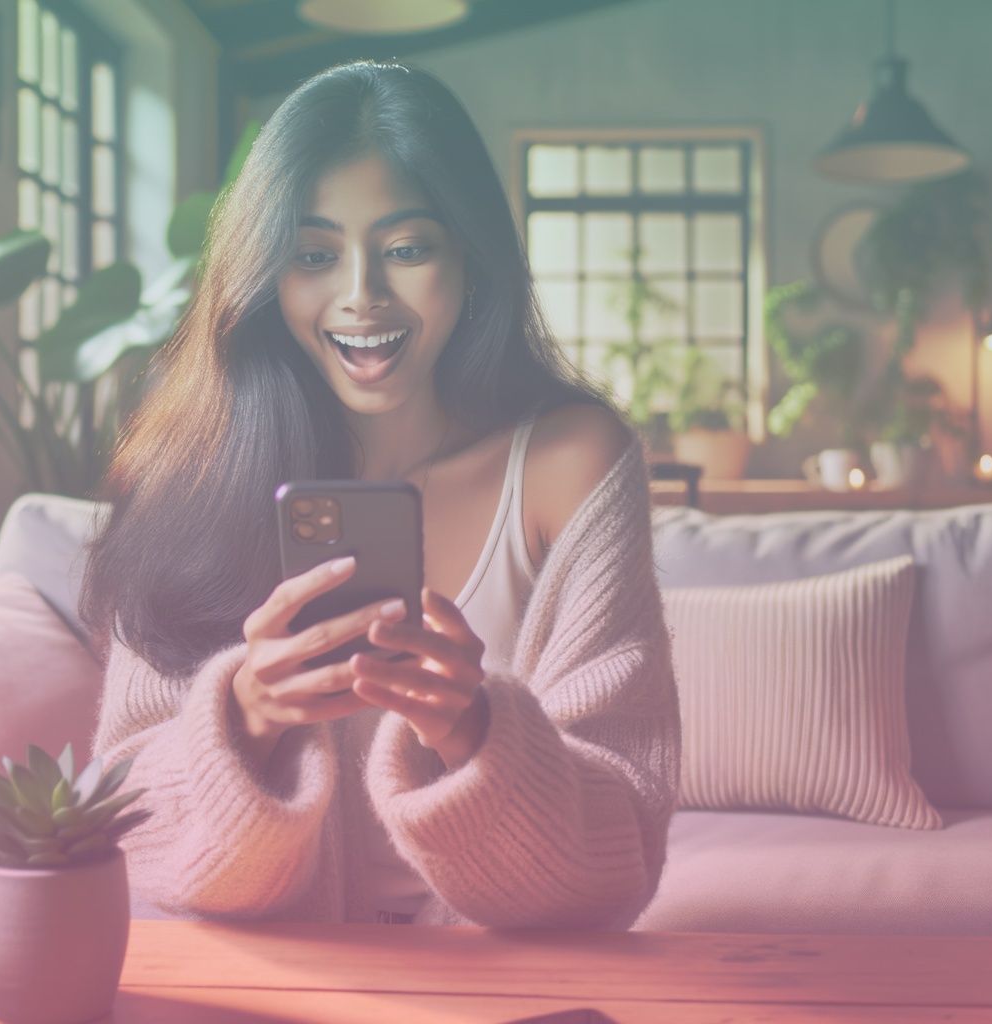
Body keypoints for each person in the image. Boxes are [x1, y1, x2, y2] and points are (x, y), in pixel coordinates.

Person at [78, 59, 680, 930]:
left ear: (469, 257)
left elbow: (620, 858)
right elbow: (134, 836)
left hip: (501, 992)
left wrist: (476, 732)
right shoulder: (188, 475)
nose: (361, 293)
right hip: (263, 992)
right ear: (264, 278)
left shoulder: (569, 463)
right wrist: (245, 717)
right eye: (314, 255)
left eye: (406, 248)